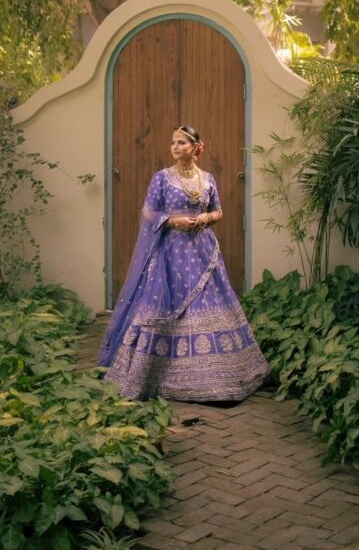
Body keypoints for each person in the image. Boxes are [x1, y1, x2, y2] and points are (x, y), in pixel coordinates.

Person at [98, 125, 269, 401]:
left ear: (195, 148)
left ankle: (217, 380)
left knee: (206, 302)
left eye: (181, 143)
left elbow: (219, 210)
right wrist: (173, 221)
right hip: (170, 252)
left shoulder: (208, 179)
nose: (175, 147)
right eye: (173, 142)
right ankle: (153, 376)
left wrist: (206, 219)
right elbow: (148, 212)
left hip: (203, 252)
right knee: (166, 305)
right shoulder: (162, 179)